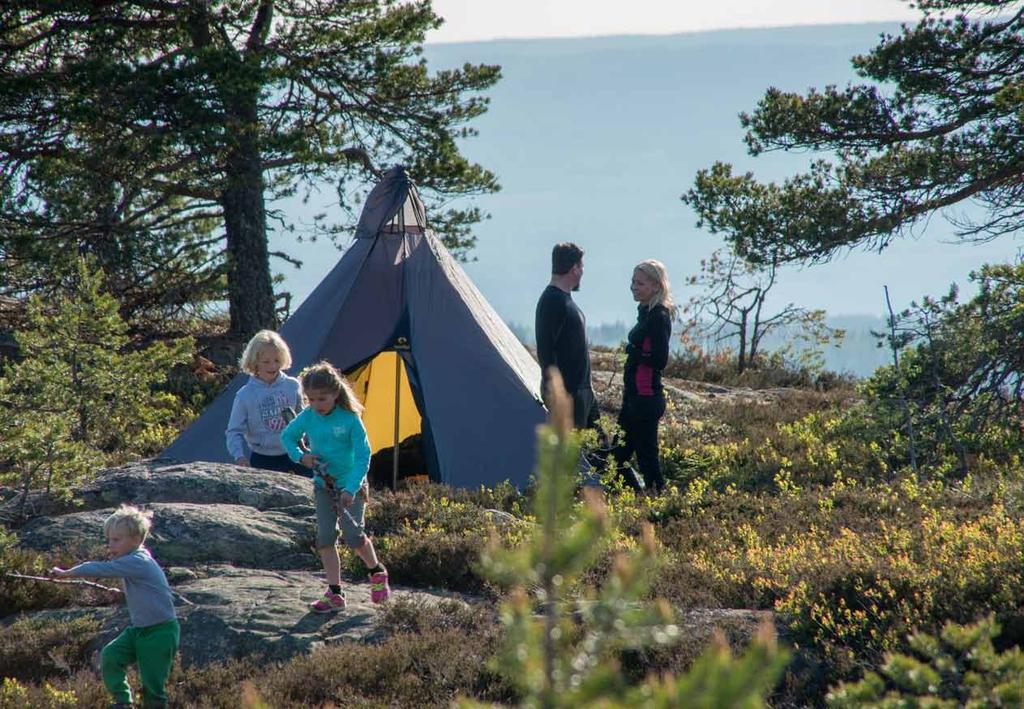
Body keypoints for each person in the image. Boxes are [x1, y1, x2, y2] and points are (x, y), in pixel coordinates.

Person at [280, 361, 391, 612]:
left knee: (354, 537)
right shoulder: (308, 416)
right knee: (326, 539)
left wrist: (350, 489)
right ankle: (335, 593)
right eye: (310, 399)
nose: (316, 405)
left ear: (335, 393)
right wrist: (301, 457)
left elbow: (364, 456)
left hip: (351, 486)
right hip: (323, 486)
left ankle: (376, 572)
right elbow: (288, 437)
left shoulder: (350, 420)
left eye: (322, 399)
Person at [51, 505, 178, 709]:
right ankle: (123, 702)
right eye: (109, 540)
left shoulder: (139, 561)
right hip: (139, 631)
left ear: (136, 539)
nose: (110, 545)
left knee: (153, 686)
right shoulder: (134, 560)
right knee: (111, 656)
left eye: (116, 540)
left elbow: (102, 568)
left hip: (160, 632)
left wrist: (68, 573)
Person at [610, 260, 675, 493]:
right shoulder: (646, 311)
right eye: (632, 282)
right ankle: (638, 499)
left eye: (640, 283)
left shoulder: (659, 316)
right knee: (617, 456)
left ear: (656, 286)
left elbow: (659, 360)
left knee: (647, 459)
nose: (633, 287)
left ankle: (658, 503)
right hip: (635, 398)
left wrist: (633, 352)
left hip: (646, 398)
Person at [225, 329, 310, 477]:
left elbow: (305, 419)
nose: (272, 366)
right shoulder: (245, 395)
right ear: (254, 362)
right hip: (263, 457)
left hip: (295, 452)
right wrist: (239, 456)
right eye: (266, 362)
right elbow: (234, 431)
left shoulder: (293, 385)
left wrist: (311, 445)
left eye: (277, 360)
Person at [535, 242, 598, 429]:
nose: (583, 271)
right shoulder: (553, 301)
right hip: (569, 396)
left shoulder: (563, 299)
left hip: (582, 392)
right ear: (574, 269)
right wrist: (555, 393)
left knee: (600, 451)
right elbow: (546, 351)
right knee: (573, 455)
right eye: (582, 266)